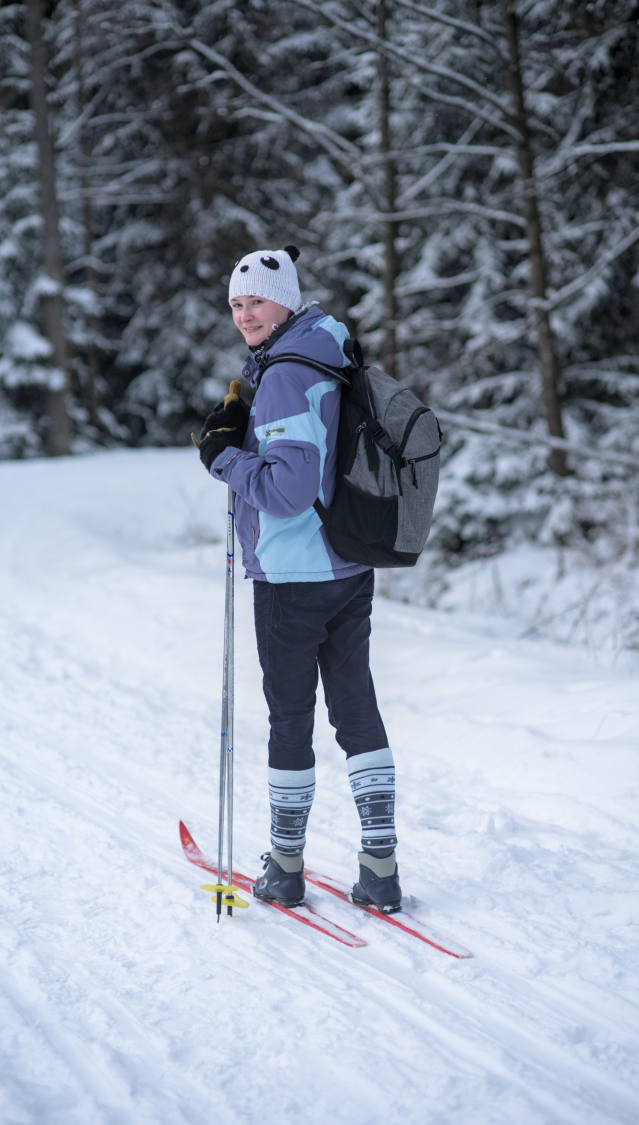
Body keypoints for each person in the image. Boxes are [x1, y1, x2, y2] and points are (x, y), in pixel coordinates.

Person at [196, 246, 401, 912]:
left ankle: (285, 866)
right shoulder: (329, 349)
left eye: (256, 300)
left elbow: (285, 491)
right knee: (356, 710)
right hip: (347, 560)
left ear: (284, 299)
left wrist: (225, 458)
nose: (245, 314)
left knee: (290, 720)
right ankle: (380, 867)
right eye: (235, 304)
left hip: (291, 574)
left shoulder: (285, 373)